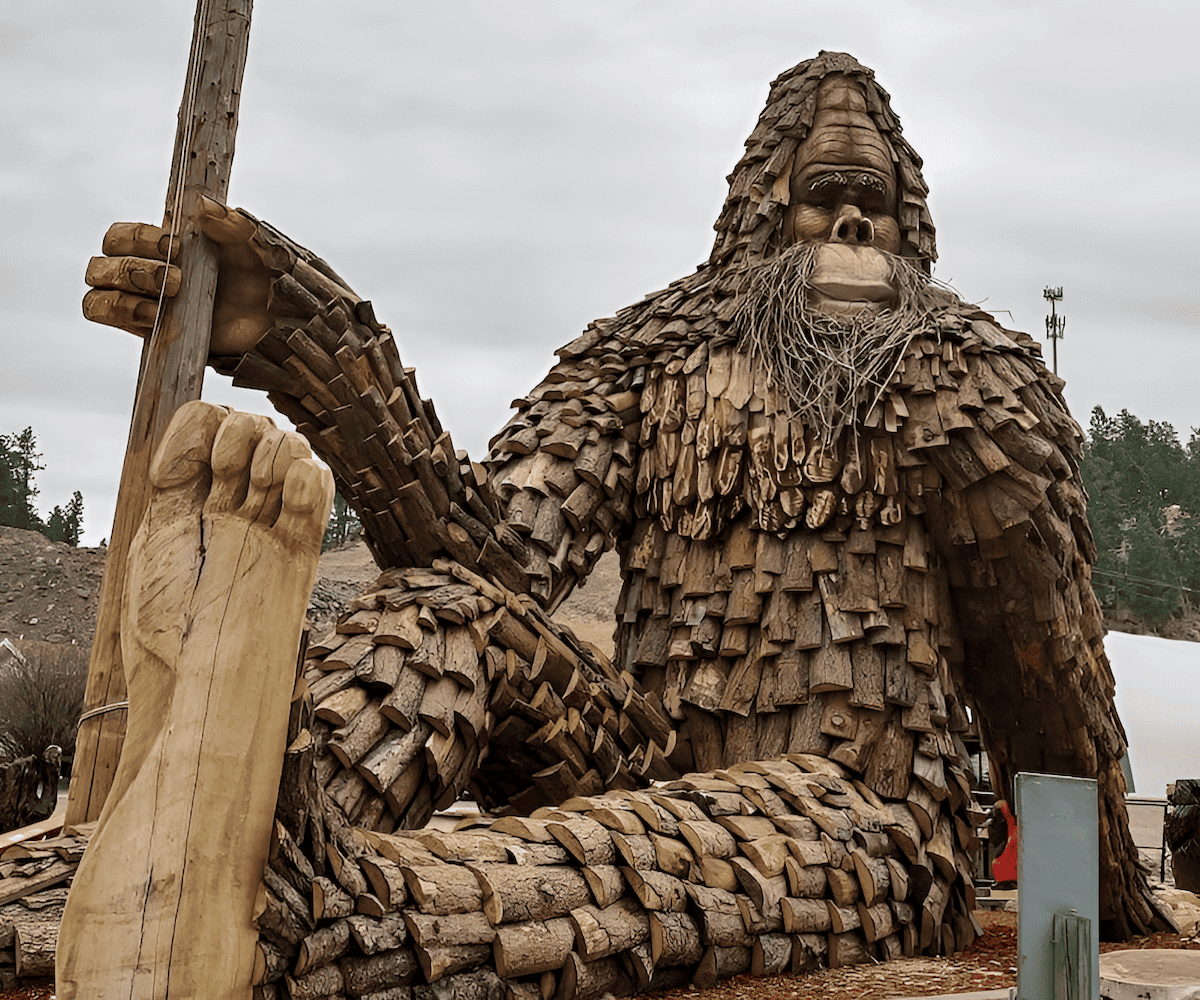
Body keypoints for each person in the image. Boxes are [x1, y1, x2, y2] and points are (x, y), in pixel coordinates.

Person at [83, 51, 1165, 939]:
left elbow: (1048, 675)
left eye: (872, 205)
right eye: (821, 199)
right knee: (450, 622)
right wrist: (300, 331)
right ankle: (224, 823)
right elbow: (489, 553)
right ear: (760, 215)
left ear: (908, 227)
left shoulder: (967, 373)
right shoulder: (654, 356)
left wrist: (1110, 896)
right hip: (639, 758)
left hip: (865, 827)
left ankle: (301, 919)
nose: (848, 227)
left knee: (633, 875)